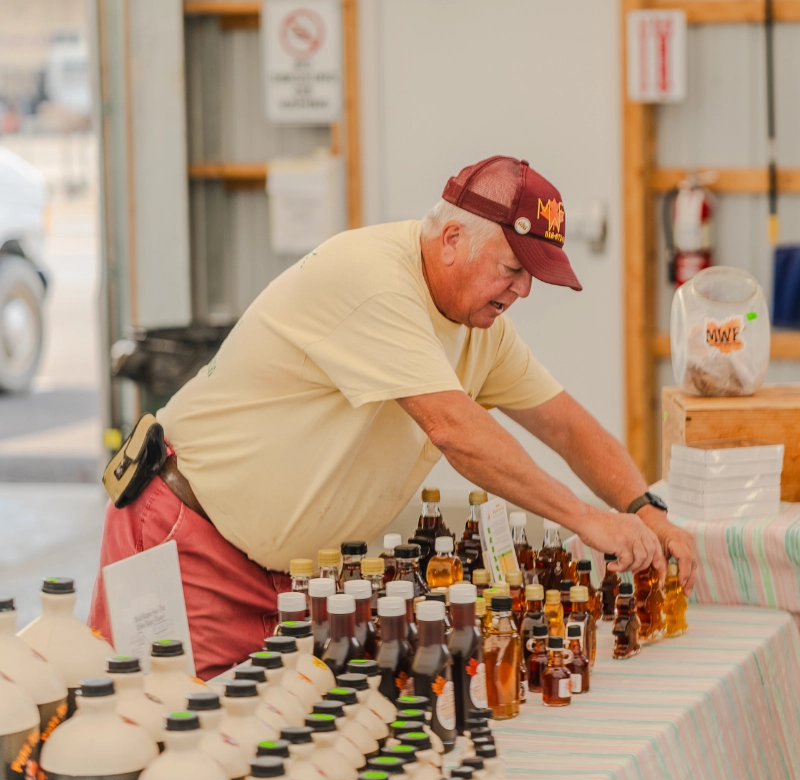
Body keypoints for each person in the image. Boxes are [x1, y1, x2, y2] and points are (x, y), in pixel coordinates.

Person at [89, 156, 696, 679]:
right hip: (189, 540)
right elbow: (456, 431)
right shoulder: (375, 280)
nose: (522, 293)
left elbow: (567, 425)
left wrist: (643, 508)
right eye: (512, 269)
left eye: (532, 277)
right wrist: (589, 519)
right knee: (178, 752)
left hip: (294, 583)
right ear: (452, 237)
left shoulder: (482, 330)